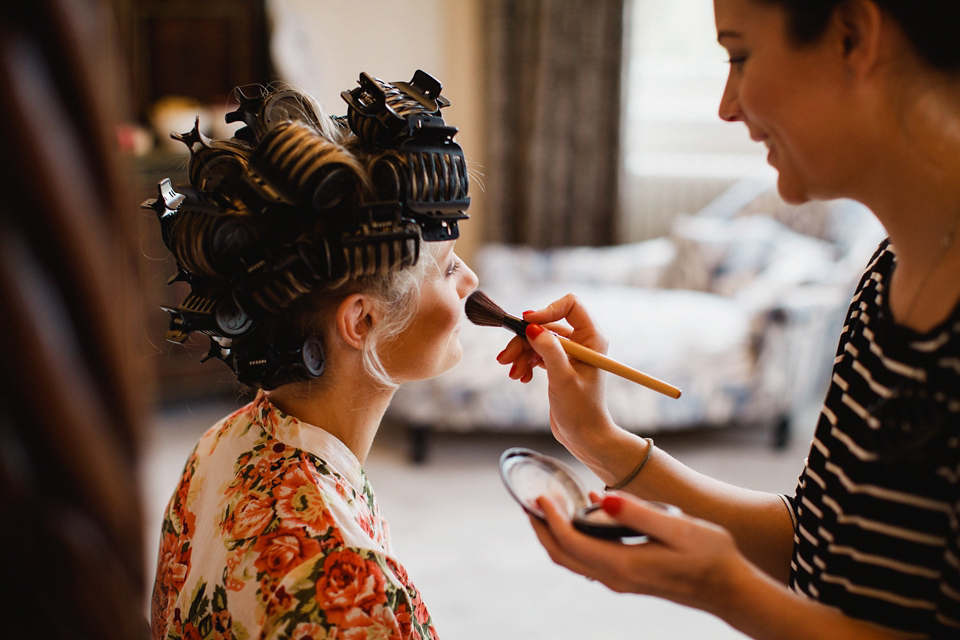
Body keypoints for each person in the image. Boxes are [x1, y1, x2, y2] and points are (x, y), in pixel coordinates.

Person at [496, 1, 960, 637]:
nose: (727, 105)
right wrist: (600, 440)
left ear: (852, 37)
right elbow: (818, 548)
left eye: (739, 56)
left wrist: (723, 589)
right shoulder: (886, 276)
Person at [148, 71, 477, 639]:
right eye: (448, 268)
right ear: (362, 321)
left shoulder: (221, 445)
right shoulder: (351, 589)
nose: (470, 280)